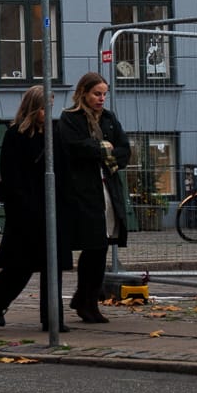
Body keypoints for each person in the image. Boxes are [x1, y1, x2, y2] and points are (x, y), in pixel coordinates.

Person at [0, 85, 68, 332]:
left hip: (52, 207)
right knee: (22, 264)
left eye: (50, 106)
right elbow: (11, 174)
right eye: (44, 107)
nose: (47, 112)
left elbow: (63, 169)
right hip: (26, 209)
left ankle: (53, 318)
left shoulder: (55, 133)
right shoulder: (15, 135)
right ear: (33, 108)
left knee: (52, 266)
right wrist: (24, 203)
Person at [57, 71, 130, 324]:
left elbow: (124, 150)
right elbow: (75, 148)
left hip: (107, 188)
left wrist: (103, 151)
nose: (101, 99)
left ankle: (86, 298)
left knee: (101, 245)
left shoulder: (109, 119)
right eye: (97, 94)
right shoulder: (70, 118)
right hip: (83, 191)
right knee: (92, 244)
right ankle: (86, 300)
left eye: (104, 94)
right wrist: (102, 148)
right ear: (84, 93)